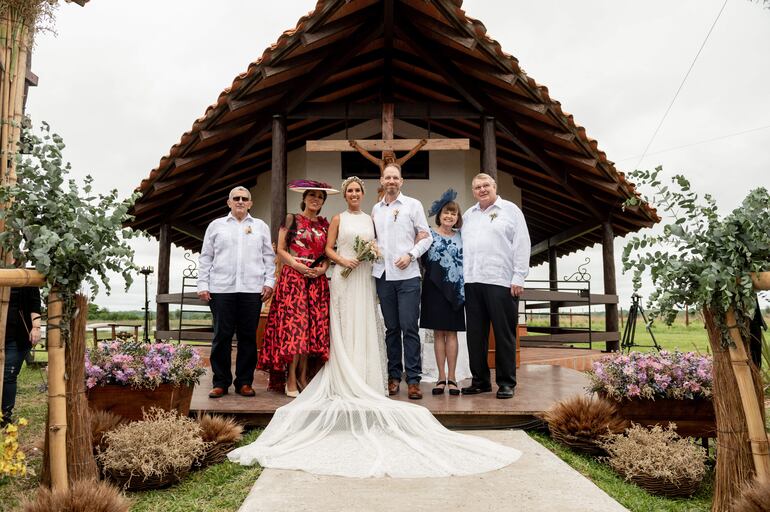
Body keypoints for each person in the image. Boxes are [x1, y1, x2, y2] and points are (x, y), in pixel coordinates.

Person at [227, 176, 521, 478]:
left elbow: (408, 238)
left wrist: (386, 255)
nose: (354, 194)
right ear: (345, 194)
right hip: (350, 276)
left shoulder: (382, 214)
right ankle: (366, 377)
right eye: (350, 191)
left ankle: (397, 379)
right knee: (366, 329)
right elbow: (327, 249)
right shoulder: (344, 217)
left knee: (393, 327)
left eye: (358, 190)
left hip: (379, 276)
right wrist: (344, 260)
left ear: (372, 190)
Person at [258, 180, 336, 397]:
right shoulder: (291, 219)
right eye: (311, 195)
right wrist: (296, 265)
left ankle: (303, 376)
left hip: (316, 281)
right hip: (294, 279)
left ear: (322, 202)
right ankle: (290, 378)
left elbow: (328, 254)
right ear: (304, 198)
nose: (315, 199)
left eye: (319, 197)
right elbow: (281, 249)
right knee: (295, 330)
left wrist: (322, 270)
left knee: (310, 331)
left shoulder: (325, 225)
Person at [197, 186, 275, 399]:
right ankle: (220, 382)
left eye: (244, 198)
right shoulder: (216, 226)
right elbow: (206, 257)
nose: (240, 201)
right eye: (236, 198)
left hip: (252, 289)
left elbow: (269, 257)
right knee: (221, 336)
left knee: (248, 337)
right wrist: (203, 284)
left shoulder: (260, 227)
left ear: (250, 203)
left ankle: (244, 382)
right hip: (222, 288)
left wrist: (269, 282)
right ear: (229, 202)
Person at [461, 173, 530, 399]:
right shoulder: (469, 215)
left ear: (494, 187)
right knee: (475, 336)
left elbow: (521, 243)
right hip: (472, 282)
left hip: (501, 281)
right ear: (473, 191)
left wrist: (519, 276)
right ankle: (480, 380)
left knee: (503, 334)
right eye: (477, 187)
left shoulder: (510, 211)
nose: (482, 190)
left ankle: (506, 382)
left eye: (486, 185)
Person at [371, 163, 432, 399]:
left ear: (401, 181)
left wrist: (411, 255)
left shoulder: (413, 205)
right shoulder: (376, 209)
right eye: (388, 177)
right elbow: (373, 238)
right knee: (392, 329)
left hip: (408, 276)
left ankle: (414, 379)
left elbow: (426, 237)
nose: (391, 181)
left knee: (409, 327)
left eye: (395, 177)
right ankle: (394, 376)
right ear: (382, 180)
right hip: (384, 276)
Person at [420, 189, 465, 396]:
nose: (449, 216)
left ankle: (453, 378)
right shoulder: (427, 234)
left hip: (455, 289)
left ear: (457, 218)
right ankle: (440, 377)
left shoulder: (462, 236)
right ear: (439, 214)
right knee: (438, 333)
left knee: (452, 333)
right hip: (433, 288)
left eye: (453, 214)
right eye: (446, 213)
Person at [2, 286, 41, 426]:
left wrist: (36, 327)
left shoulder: (26, 279)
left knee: (8, 375)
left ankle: (5, 416)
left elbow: (35, 304)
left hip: (16, 336)